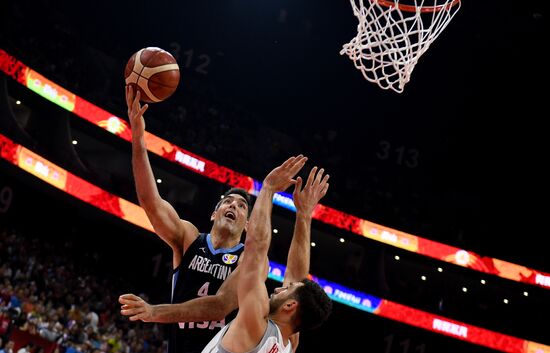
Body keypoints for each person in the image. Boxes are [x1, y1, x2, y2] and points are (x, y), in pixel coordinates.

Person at [123, 85, 252, 353]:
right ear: (214, 213)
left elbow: (218, 306)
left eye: (241, 206)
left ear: (248, 224)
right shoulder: (189, 238)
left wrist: (153, 312)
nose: (233, 206)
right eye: (227, 202)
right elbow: (150, 202)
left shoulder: (250, 259)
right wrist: (138, 136)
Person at [202, 155, 333, 353]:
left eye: (286, 290)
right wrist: (304, 215)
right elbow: (297, 276)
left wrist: (268, 188)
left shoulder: (256, 325)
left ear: (289, 306)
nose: (279, 289)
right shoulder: (288, 344)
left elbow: (254, 250)